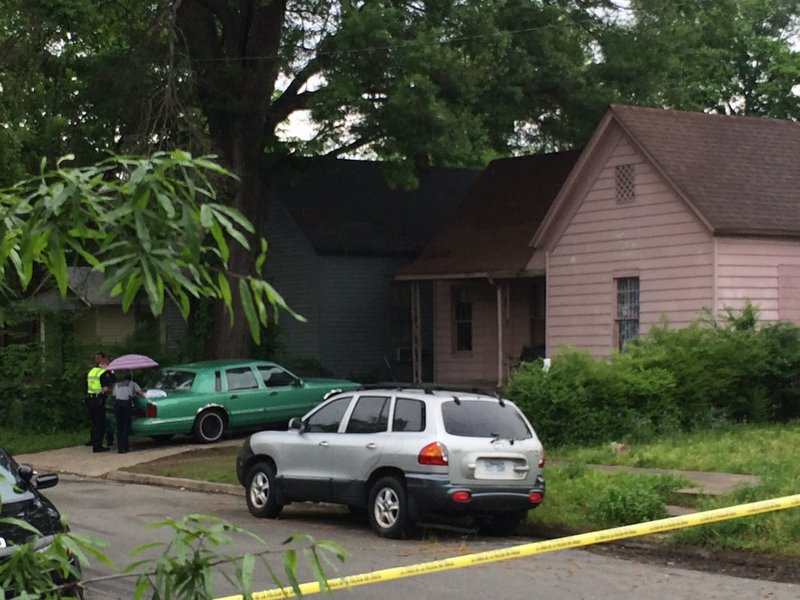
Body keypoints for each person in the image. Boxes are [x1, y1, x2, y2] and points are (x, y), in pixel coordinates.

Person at [85, 352, 115, 453]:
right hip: (98, 400)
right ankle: (97, 446)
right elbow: (106, 388)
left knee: (94, 422)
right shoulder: (103, 373)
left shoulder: (92, 371)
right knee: (100, 423)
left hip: (89, 398)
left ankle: (93, 440)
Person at [112, 372, 144, 454]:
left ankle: (120, 448)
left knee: (119, 426)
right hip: (126, 404)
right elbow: (141, 393)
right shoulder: (133, 383)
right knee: (125, 425)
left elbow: (114, 394)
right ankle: (125, 447)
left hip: (117, 404)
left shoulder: (117, 384)